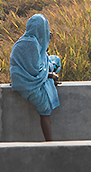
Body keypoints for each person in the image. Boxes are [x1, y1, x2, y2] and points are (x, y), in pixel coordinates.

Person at [10, 14, 61, 142]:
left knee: (54, 59)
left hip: (22, 77)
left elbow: (40, 58)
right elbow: (34, 71)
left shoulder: (25, 40)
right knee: (45, 108)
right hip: (28, 82)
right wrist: (50, 75)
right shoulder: (32, 44)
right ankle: (49, 142)